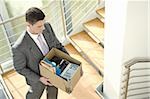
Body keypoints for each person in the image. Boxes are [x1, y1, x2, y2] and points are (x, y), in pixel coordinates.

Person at [12, 7, 68, 99]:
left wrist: (69, 60)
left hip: (53, 72)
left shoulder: (47, 27)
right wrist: (40, 78)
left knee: (53, 94)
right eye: (39, 26)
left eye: (43, 24)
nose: (43, 28)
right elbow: (19, 68)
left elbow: (58, 45)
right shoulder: (19, 47)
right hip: (37, 79)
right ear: (28, 24)